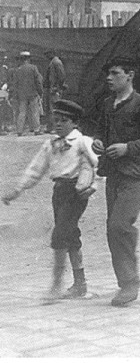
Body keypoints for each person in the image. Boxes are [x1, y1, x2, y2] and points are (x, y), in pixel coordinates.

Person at [2, 99, 99, 300]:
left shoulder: (82, 142)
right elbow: (35, 169)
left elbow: (97, 165)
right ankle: (80, 285)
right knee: (70, 234)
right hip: (59, 192)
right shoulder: (50, 144)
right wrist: (18, 190)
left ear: (75, 123)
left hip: (76, 192)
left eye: (64, 120)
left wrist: (92, 187)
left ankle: (56, 284)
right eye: (56, 120)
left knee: (59, 234)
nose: (58, 124)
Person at [90, 57, 140, 306]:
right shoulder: (108, 104)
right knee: (113, 230)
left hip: (135, 176)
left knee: (120, 226)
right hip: (113, 175)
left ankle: (130, 283)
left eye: (115, 73)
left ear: (130, 75)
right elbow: (100, 130)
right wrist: (97, 141)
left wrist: (128, 148)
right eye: (107, 74)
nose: (109, 78)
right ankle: (125, 282)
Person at [9, 51, 44, 135]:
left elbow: (15, 83)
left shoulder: (18, 70)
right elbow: (38, 81)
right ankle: (36, 129)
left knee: (22, 112)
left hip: (22, 95)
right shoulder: (33, 68)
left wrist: (15, 95)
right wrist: (40, 92)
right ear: (28, 59)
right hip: (33, 93)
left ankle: (19, 131)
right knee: (35, 112)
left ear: (21, 59)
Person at [46, 50, 67, 117]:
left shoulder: (56, 62)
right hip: (53, 88)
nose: (46, 56)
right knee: (53, 107)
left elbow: (62, 76)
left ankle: (56, 123)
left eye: (47, 54)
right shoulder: (53, 62)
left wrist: (57, 87)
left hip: (56, 89)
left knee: (56, 107)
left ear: (52, 53)